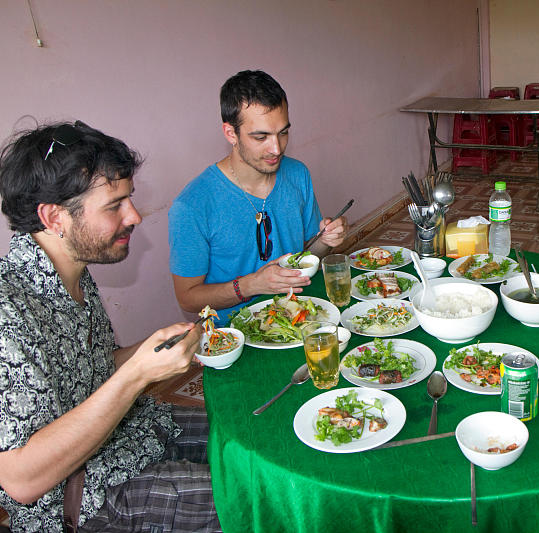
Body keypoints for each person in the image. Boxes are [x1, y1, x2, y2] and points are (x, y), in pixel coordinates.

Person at [0, 121, 220, 532]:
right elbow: (21, 480)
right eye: (114, 205)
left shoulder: (74, 271)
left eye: (129, 199)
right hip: (85, 498)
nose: (135, 215)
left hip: (132, 433)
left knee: (245, 435)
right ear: (54, 217)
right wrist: (138, 375)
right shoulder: (7, 314)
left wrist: (152, 350)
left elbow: (96, 366)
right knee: (249, 495)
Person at [169, 70, 347, 323]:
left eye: (283, 133)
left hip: (301, 316)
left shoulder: (297, 174)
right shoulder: (193, 205)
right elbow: (187, 298)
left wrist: (327, 239)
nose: (276, 149)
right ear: (231, 133)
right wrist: (251, 285)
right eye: (261, 137)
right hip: (237, 334)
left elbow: (310, 254)